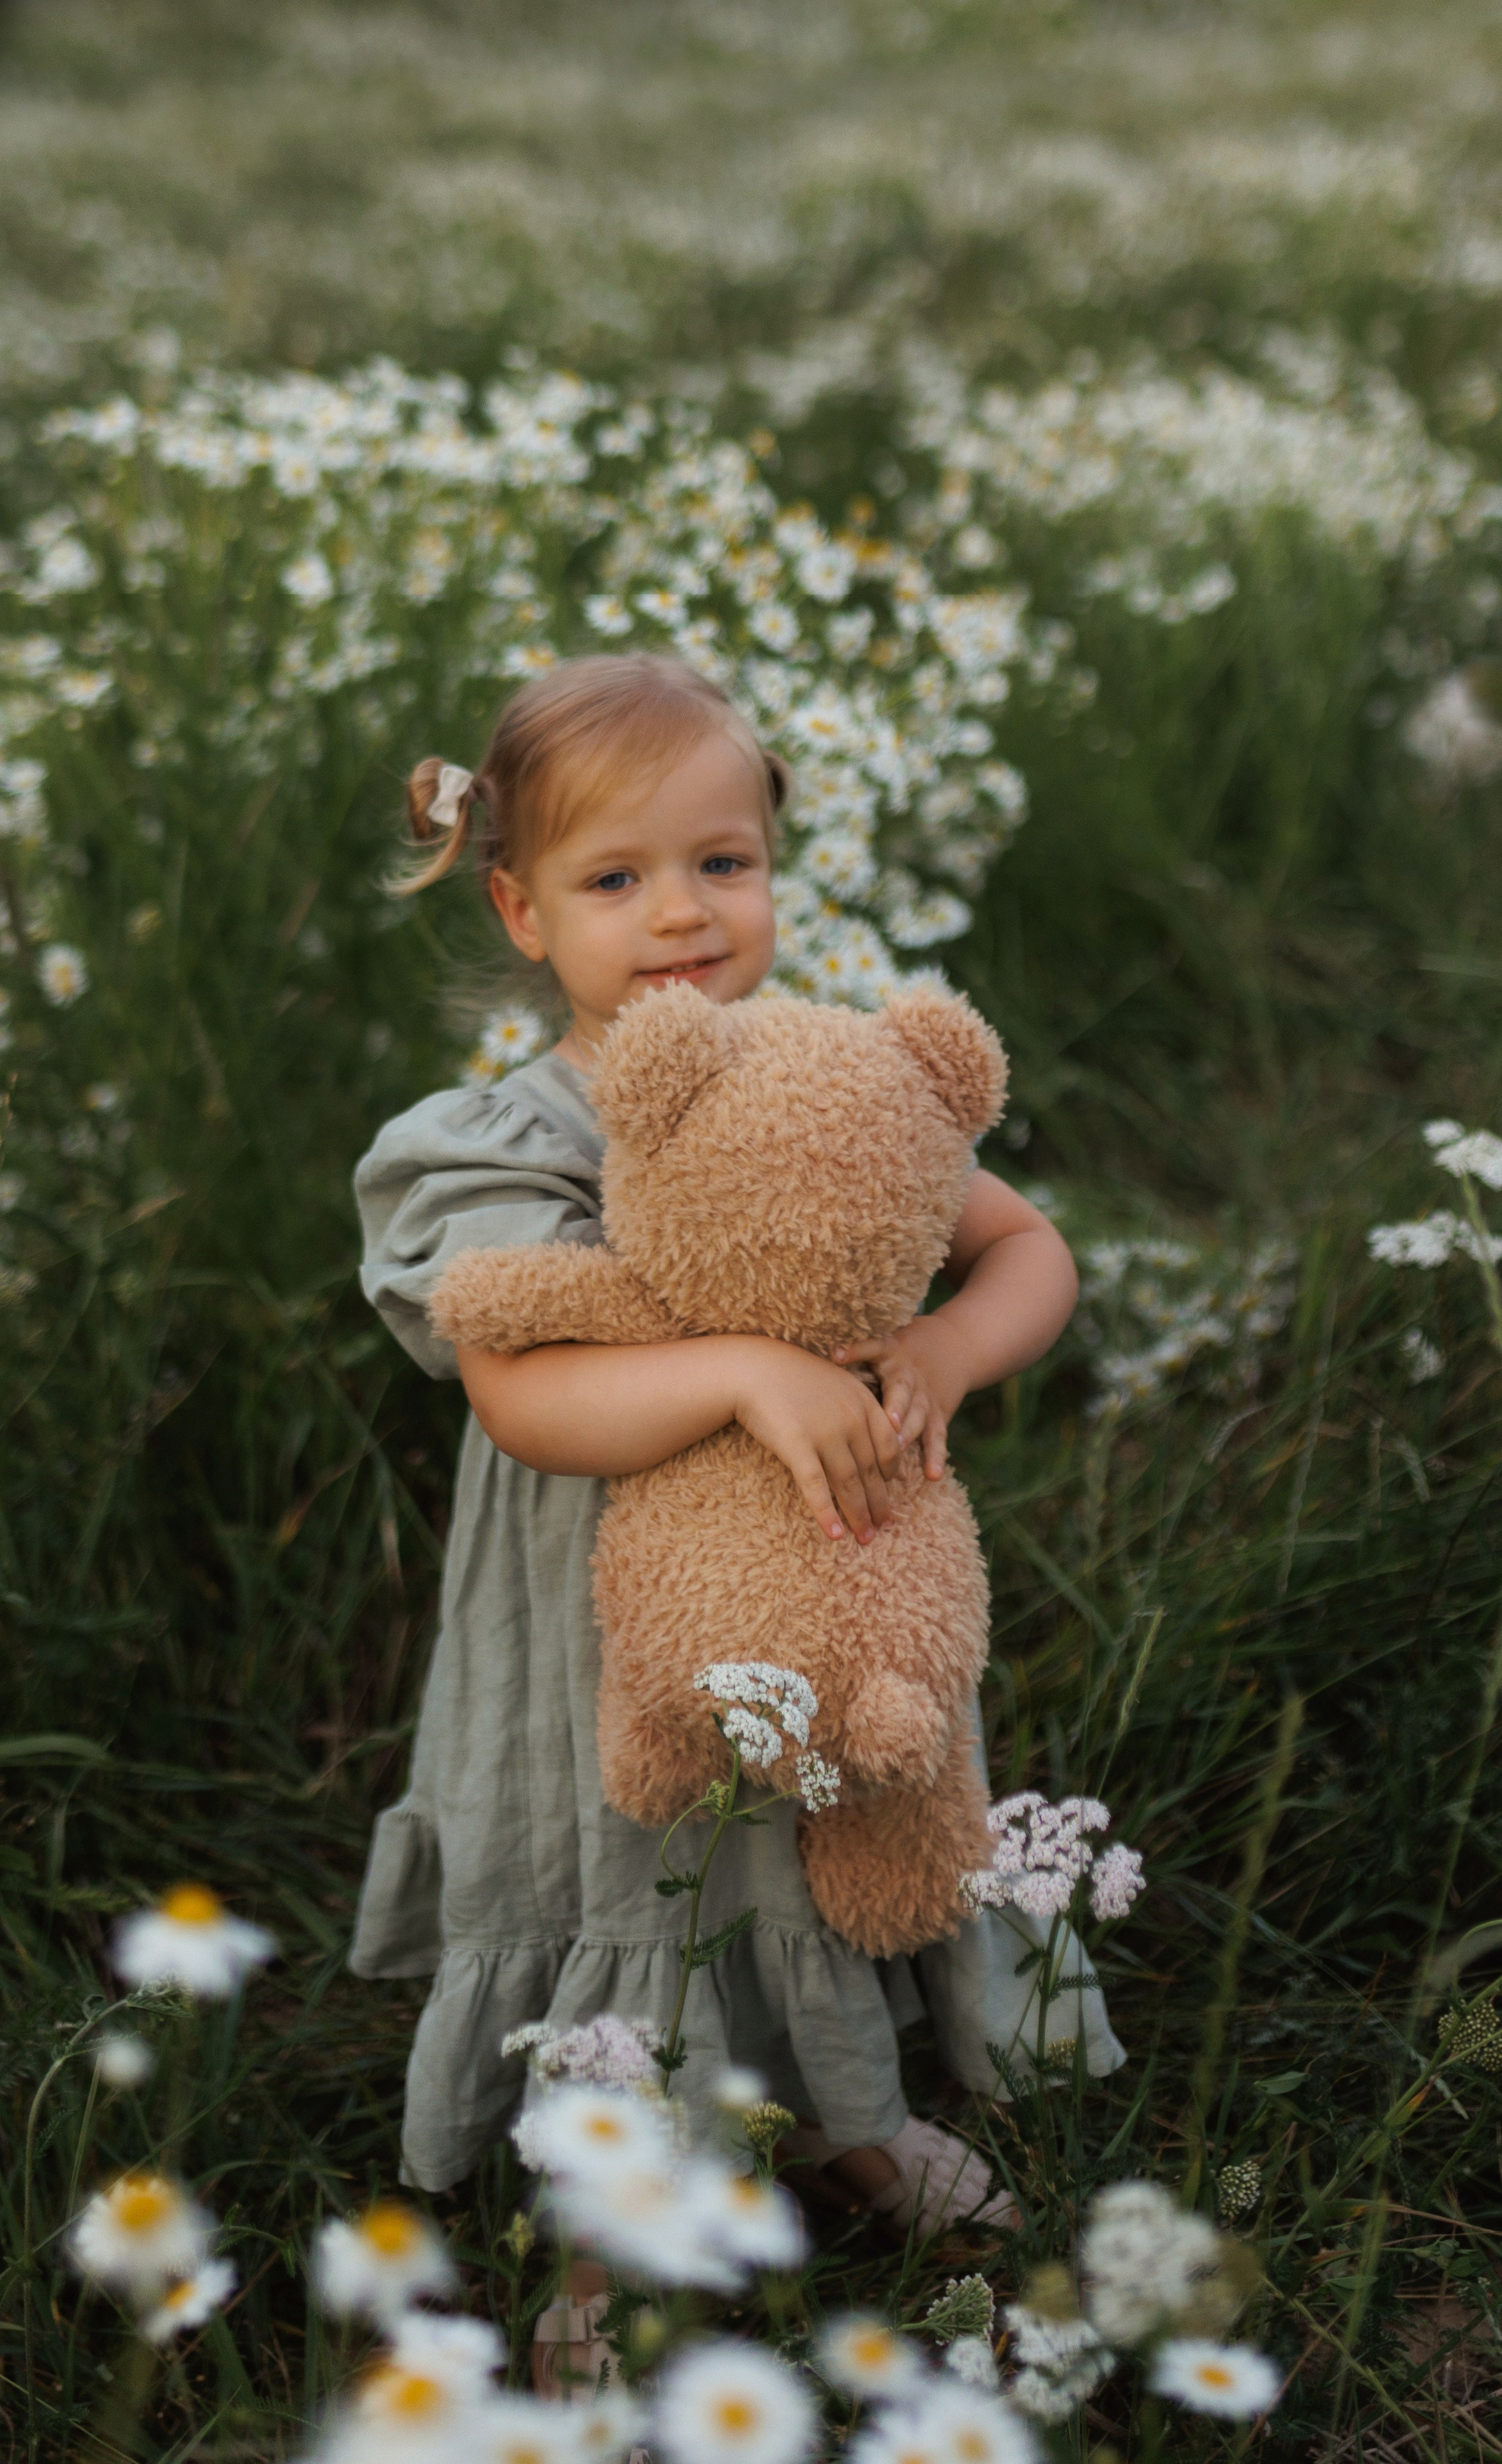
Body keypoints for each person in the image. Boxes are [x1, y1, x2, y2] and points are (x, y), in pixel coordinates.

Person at [352, 653, 1125, 2383]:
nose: (682, 916)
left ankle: (840, 2118)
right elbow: (520, 1395)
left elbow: (1030, 1247)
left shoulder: (831, 1073)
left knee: (811, 1836)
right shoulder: (511, 1138)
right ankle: (619, 2235)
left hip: (837, 1578)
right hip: (606, 1633)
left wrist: (938, 1341)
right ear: (522, 908)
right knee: (653, 1873)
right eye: (615, 881)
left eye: (723, 863)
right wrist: (744, 1372)